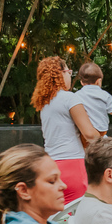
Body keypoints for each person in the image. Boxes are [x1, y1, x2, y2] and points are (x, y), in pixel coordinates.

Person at [31, 57, 100, 204]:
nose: (70, 75)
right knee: (76, 213)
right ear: (60, 74)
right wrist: (105, 141)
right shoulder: (70, 98)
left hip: (50, 166)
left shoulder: (45, 103)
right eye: (69, 72)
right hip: (72, 165)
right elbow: (89, 134)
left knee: (58, 213)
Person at [74, 61, 112, 136]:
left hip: (84, 131)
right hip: (101, 131)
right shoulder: (105, 95)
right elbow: (111, 110)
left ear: (81, 82)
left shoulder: (77, 95)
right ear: (98, 81)